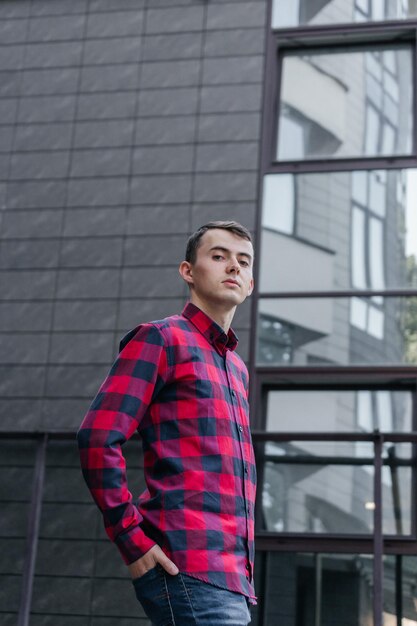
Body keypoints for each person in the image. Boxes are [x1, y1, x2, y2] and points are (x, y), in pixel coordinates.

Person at [77, 220, 257, 625]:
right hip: (185, 565)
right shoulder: (162, 339)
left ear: (250, 283)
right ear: (188, 272)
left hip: (233, 578)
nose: (234, 267)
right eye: (219, 256)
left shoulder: (238, 369)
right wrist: (132, 540)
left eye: (243, 262)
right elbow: (97, 437)